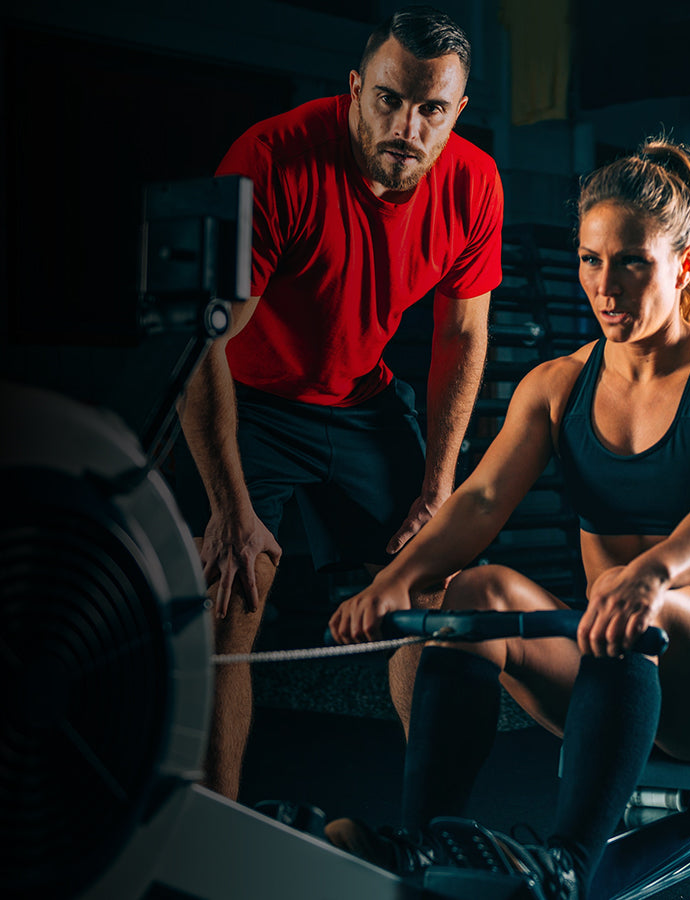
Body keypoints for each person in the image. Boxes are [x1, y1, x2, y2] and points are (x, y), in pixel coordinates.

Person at [326, 138, 690, 899]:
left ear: (682, 265)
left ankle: (569, 866)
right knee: (474, 590)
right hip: (612, 656)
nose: (605, 287)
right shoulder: (557, 385)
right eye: (590, 261)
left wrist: (648, 577)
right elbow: (478, 501)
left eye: (632, 263)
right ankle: (419, 847)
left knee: (636, 597)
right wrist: (394, 583)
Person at [178, 5, 503, 800]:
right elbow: (200, 343)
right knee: (232, 592)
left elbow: (461, 340)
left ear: (457, 113)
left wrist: (438, 487)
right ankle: (215, 833)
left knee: (429, 588)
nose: (408, 126)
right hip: (247, 396)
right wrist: (227, 503)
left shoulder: (473, 183)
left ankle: (433, 833)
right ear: (356, 90)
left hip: (360, 400)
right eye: (389, 99)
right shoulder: (273, 159)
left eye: (432, 109)